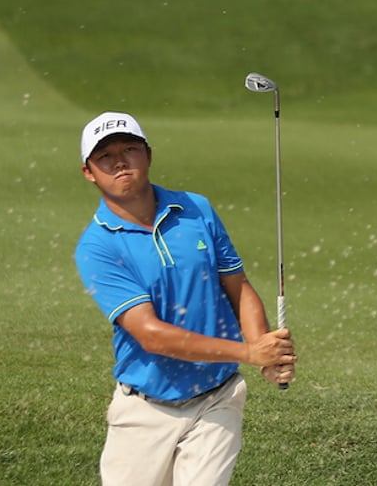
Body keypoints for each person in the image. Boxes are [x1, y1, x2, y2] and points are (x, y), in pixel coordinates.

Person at [73, 111, 297, 485]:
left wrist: (264, 350)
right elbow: (151, 335)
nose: (119, 161)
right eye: (105, 156)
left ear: (148, 155)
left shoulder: (196, 209)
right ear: (89, 173)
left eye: (130, 148)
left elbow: (237, 286)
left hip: (217, 398)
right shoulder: (97, 247)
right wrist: (247, 352)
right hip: (144, 411)